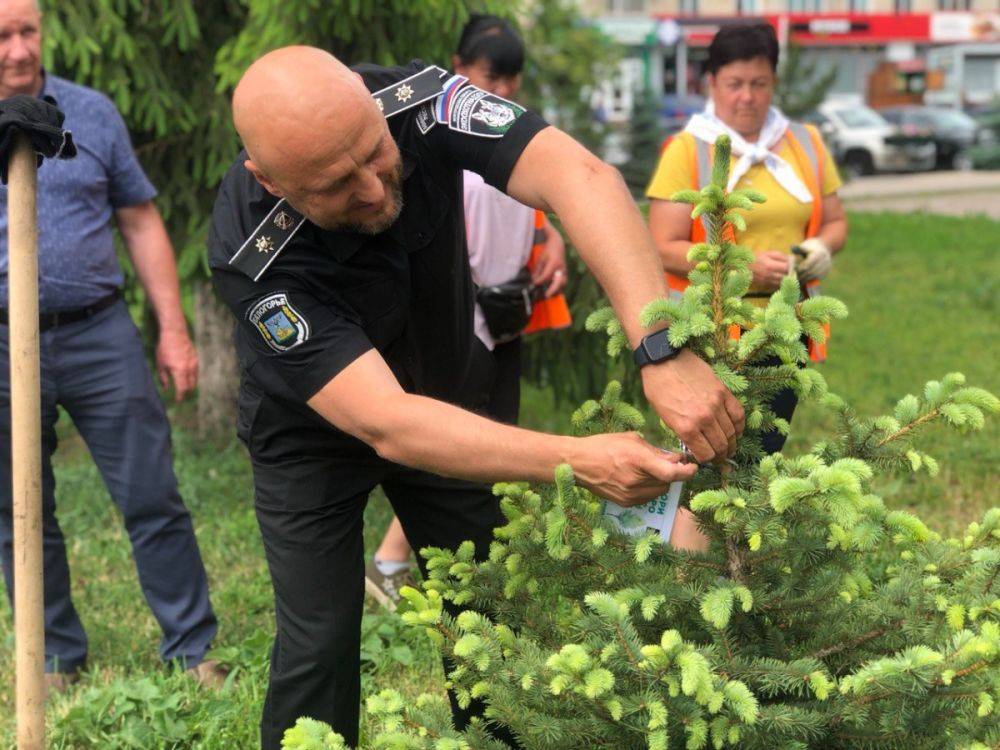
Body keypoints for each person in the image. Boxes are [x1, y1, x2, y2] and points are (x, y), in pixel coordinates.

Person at [208, 46, 745, 748]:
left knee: (490, 619)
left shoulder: (419, 101)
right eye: (336, 186)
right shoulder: (253, 255)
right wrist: (578, 461)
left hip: (449, 405)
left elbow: (577, 175)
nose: (373, 190)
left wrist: (661, 346)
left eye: (374, 154)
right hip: (311, 439)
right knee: (318, 645)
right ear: (270, 182)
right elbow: (388, 423)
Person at [0, 0, 222, 692]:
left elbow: (139, 218)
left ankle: (192, 649)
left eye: (27, 31)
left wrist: (174, 330)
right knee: (17, 507)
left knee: (152, 495)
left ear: (44, 31)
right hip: (4, 343)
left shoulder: (91, 112)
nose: (16, 49)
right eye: (1, 35)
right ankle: (56, 657)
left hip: (99, 332)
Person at [365, 14, 572, 607]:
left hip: (508, 316)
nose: (502, 92)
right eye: (490, 76)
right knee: (461, 450)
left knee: (497, 442)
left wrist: (548, 239)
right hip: (463, 323)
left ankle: (480, 558)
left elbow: (533, 209)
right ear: (458, 70)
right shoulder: (441, 148)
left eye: (512, 80)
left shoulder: (513, 141)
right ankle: (394, 560)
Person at [646, 23, 848, 453]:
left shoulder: (805, 143)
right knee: (709, 464)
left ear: (774, 81)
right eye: (735, 84)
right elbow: (662, 246)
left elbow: (835, 221)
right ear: (712, 83)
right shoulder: (688, 149)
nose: (747, 97)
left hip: (786, 331)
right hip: (710, 334)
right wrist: (742, 268)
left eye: (759, 83)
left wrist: (821, 249)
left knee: (765, 454)